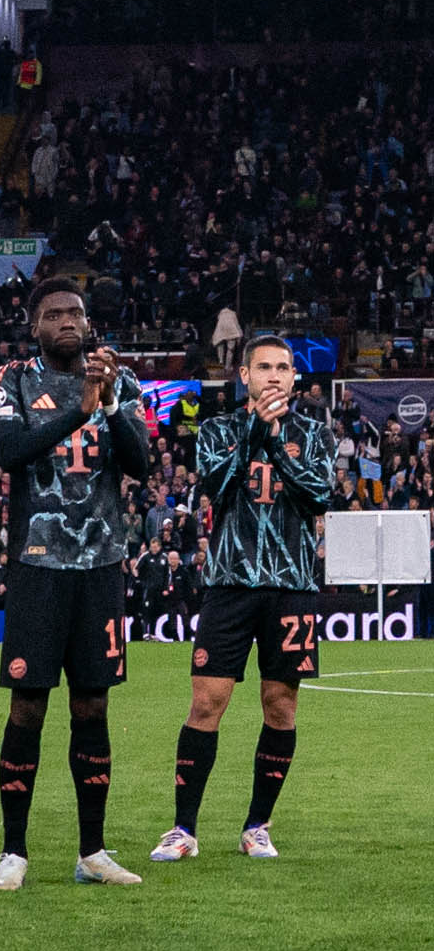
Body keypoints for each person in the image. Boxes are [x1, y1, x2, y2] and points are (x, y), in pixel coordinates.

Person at [0, 277, 152, 891]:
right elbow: (9, 451)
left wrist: (105, 405)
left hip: (101, 567)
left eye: (75, 312)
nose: (68, 322)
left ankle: (92, 852)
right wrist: (78, 408)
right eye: (54, 314)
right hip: (38, 566)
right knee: (28, 704)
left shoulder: (120, 382)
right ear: (35, 327)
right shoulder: (12, 382)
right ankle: (14, 850)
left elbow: (140, 464)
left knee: (93, 704)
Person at [153, 336, 336, 863]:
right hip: (230, 584)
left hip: (293, 588)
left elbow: (317, 494)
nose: (275, 376)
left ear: (295, 380)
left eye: (283, 368)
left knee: (281, 705)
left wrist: (275, 439)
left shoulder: (315, 435)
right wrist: (257, 430)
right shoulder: (217, 429)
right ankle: (183, 828)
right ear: (244, 377)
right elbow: (219, 484)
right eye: (264, 367)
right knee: (207, 702)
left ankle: (258, 825)